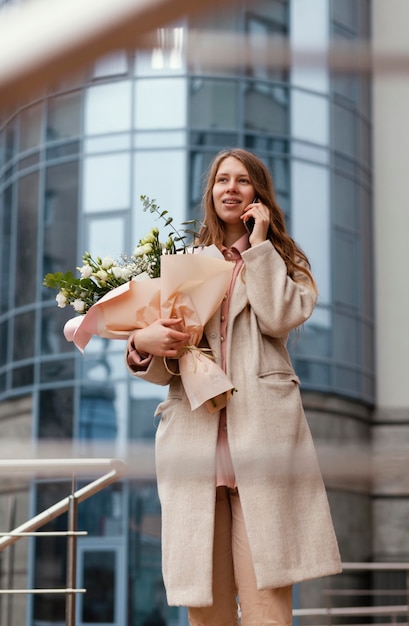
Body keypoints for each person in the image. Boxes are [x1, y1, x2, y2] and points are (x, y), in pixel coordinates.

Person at [126, 148, 341, 625]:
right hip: (196, 439)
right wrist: (144, 342)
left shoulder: (284, 261)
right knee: (205, 604)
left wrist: (259, 245)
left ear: (257, 194)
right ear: (211, 192)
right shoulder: (183, 263)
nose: (231, 188)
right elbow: (168, 367)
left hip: (261, 436)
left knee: (267, 599)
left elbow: (279, 316)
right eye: (222, 179)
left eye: (243, 181)